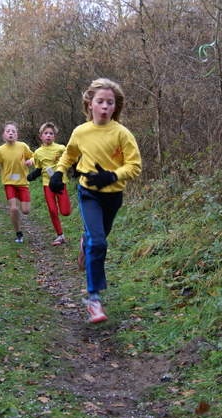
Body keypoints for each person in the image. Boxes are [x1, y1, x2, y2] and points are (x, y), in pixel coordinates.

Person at [49, 78, 142, 323]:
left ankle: (85, 241)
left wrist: (112, 175)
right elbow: (69, 155)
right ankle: (94, 299)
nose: (104, 107)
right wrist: (59, 173)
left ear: (115, 107)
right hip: (88, 193)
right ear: (90, 104)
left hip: (113, 196)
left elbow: (135, 167)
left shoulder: (122, 134)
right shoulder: (81, 132)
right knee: (99, 243)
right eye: (99, 101)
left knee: (96, 239)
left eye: (109, 103)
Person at [0, 121, 34, 243]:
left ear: (17, 135)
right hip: (9, 183)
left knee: (26, 211)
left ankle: (20, 200)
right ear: (3, 134)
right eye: (8, 131)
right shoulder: (0, 150)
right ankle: (19, 233)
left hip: (23, 182)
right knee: (13, 209)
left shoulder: (23, 146)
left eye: (13, 131)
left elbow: (33, 156)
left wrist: (31, 161)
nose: (11, 133)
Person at [27, 122, 71, 246]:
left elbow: (71, 156)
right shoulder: (38, 152)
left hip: (61, 182)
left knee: (65, 212)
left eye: (51, 133)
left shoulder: (61, 149)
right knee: (52, 209)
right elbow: (39, 168)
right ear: (40, 136)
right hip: (47, 184)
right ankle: (60, 235)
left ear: (55, 137)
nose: (48, 136)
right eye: (45, 133)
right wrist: (32, 176)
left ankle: (61, 233)